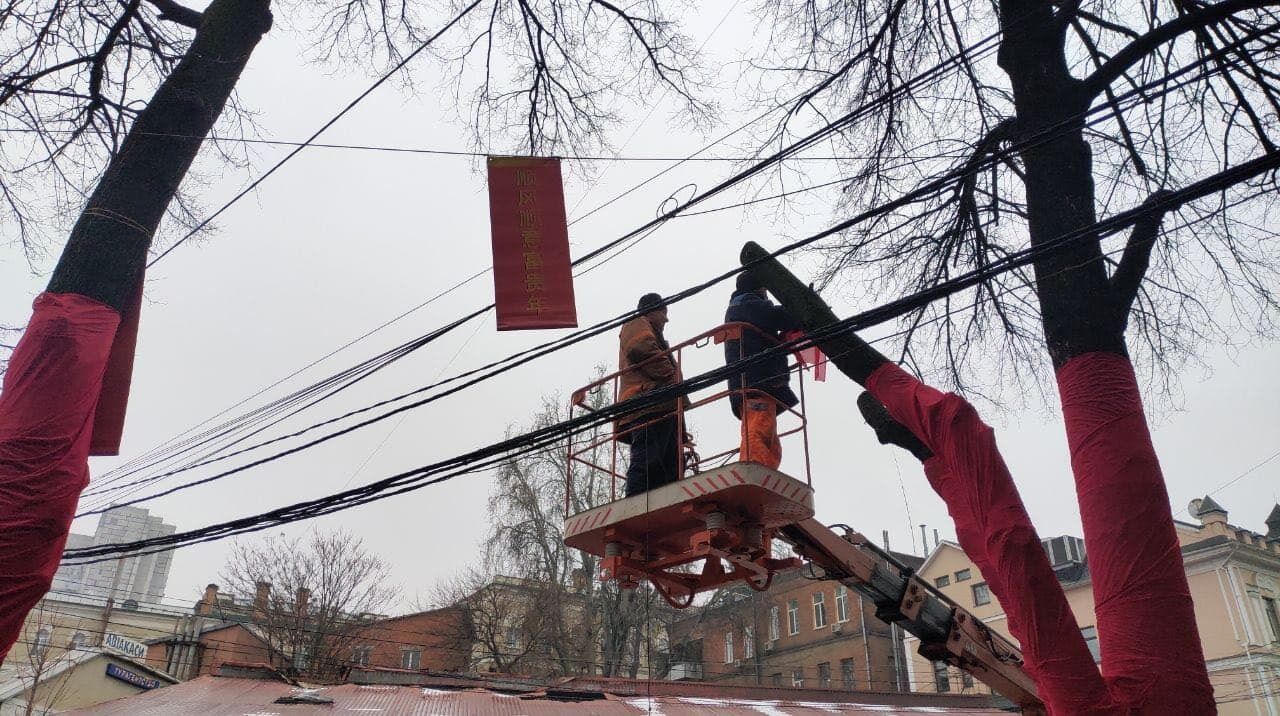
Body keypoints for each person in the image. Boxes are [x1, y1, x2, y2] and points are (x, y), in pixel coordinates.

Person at [724, 273, 800, 469]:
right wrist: (801, 309)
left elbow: (765, 328)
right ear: (759, 288)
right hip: (756, 382)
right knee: (758, 431)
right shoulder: (746, 304)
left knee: (767, 436)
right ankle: (754, 469)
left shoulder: (742, 307)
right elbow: (776, 316)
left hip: (756, 382)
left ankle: (764, 469)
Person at [616, 293, 687, 497]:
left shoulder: (651, 332)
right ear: (652, 311)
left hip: (661, 405)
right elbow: (640, 348)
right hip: (647, 405)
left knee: (669, 468)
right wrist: (671, 375)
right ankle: (633, 506)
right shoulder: (636, 323)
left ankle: (664, 504)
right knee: (648, 460)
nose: (666, 319)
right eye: (664, 313)